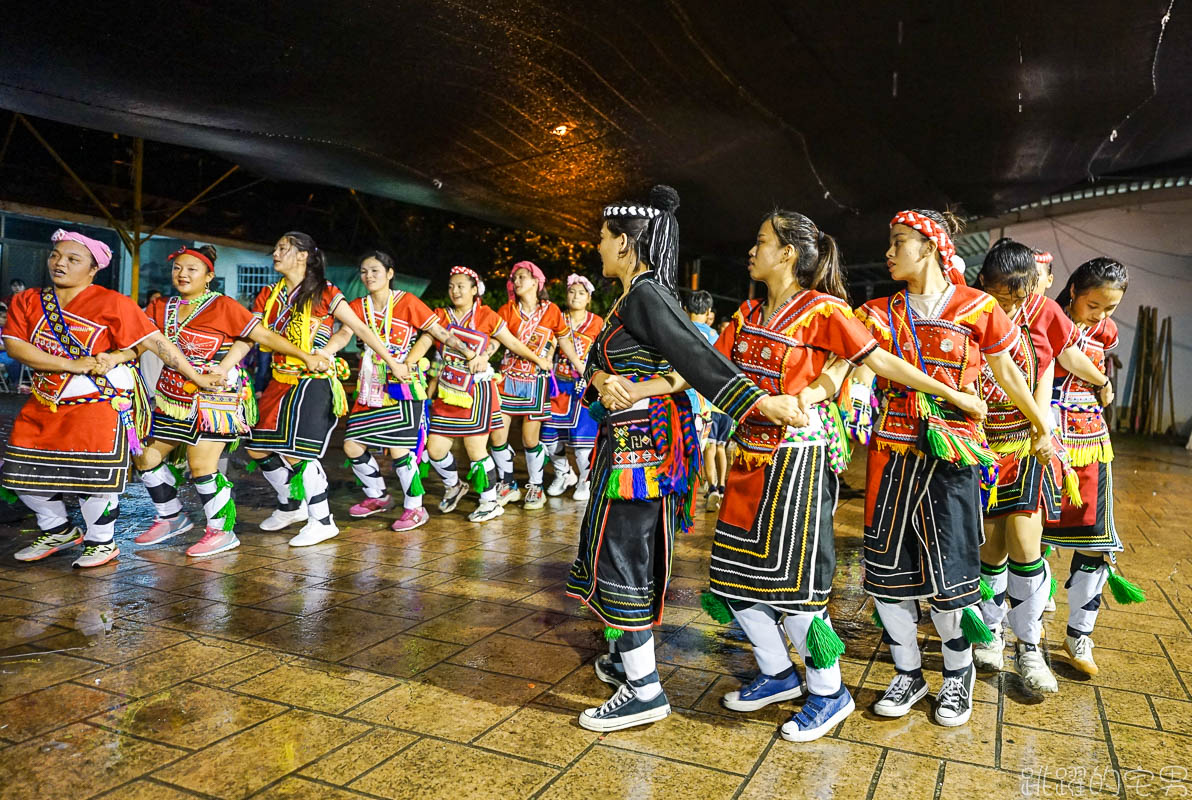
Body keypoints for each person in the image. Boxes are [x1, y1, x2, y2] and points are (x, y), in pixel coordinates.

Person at [689, 211, 988, 741]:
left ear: (787, 253)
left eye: (761, 241)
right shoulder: (748, 314)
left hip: (798, 461)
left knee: (793, 586)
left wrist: (950, 394)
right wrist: (629, 381)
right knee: (734, 582)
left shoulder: (823, 311)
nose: (750, 250)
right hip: (748, 458)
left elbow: (876, 361)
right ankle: (779, 673)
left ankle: (829, 693)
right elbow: (705, 368)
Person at [565, 185, 802, 733]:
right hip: (627, 444)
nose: (596, 246)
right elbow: (599, 370)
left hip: (642, 452)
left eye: (603, 238)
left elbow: (699, 361)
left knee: (624, 555)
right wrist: (603, 378)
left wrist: (759, 402)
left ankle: (645, 690)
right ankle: (629, 657)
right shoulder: (630, 298)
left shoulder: (649, 295)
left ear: (625, 244)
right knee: (625, 550)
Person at [852, 210, 1054, 727]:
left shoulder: (977, 306)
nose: (890, 252)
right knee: (889, 576)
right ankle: (907, 673)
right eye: (890, 242)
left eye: (900, 242)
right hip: (893, 453)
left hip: (954, 456)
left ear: (932, 247)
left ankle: (958, 675)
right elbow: (872, 362)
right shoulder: (877, 311)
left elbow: (1007, 369)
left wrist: (1040, 423)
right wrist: (942, 390)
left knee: (952, 576)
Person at [3, 230, 220, 567]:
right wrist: (68, 363)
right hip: (44, 403)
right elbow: (16, 345)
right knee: (22, 473)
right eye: (55, 255)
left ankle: (101, 542)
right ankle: (58, 529)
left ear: (93, 269)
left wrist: (197, 377)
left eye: (73, 259)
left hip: (97, 405)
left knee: (94, 478)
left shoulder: (112, 303)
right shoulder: (27, 300)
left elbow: (156, 343)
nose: (59, 263)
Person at [969, 239, 1112, 692]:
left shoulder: (1045, 312)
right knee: (991, 547)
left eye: (1017, 295)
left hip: (1030, 445)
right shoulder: (971, 311)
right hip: (981, 447)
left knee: (1026, 543)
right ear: (984, 284)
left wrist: (1097, 381)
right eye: (1000, 294)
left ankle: (1030, 648)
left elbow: (1065, 353)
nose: (1009, 304)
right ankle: (991, 630)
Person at [128, 245, 330, 557]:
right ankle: (171, 516)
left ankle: (222, 531)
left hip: (215, 400)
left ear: (209, 276)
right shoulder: (160, 307)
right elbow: (138, 342)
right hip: (172, 398)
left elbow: (261, 335)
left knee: (201, 466)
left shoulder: (223, 306)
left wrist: (304, 355)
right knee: (145, 458)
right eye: (177, 268)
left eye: (192, 269)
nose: (182, 274)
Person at [243, 232, 409, 547]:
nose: (275, 253)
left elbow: (359, 328)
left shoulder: (325, 292)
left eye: (283, 248)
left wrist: (393, 362)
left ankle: (322, 521)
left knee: (300, 452)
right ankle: (292, 504)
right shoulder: (267, 295)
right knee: (257, 447)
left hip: (314, 380)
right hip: (280, 379)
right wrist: (223, 366)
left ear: (303, 255)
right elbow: (252, 335)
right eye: (276, 247)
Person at [319, 251, 487, 531]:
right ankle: (377, 496)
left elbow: (439, 332)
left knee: (400, 450)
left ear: (390, 273)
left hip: (403, 386)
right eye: (363, 271)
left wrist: (469, 353)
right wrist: (324, 352)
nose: (368, 276)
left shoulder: (406, 302)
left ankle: (415, 508)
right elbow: (345, 334)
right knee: (352, 444)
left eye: (375, 270)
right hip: (370, 386)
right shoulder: (358, 305)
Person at [1043, 257, 1143, 677]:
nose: (1101, 315)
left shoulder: (1107, 332)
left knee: (1096, 541)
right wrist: (1103, 383)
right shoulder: (1048, 318)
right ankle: (1013, 630)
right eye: (1093, 305)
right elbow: (1066, 360)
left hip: (1090, 443)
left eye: (1110, 308)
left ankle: (1078, 634)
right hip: (1045, 440)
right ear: (1073, 293)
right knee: (1027, 539)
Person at [406, 266, 550, 522]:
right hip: (448, 391)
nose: (455, 291)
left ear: (475, 290)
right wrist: (408, 363)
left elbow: (513, 342)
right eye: (451, 286)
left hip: (478, 392)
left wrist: (538, 360)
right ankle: (455, 485)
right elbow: (427, 340)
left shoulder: (487, 316)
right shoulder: (441, 315)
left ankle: (489, 501)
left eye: (461, 286)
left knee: (475, 450)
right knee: (435, 449)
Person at [488, 261, 584, 510]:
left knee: (530, 439)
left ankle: (536, 485)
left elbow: (564, 341)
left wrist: (578, 364)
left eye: (522, 277)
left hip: (535, 380)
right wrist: (482, 355)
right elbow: (496, 342)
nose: (516, 281)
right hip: (507, 378)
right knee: (497, 435)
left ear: (535, 282)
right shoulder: (506, 310)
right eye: (514, 278)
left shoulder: (551, 311)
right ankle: (507, 484)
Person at [542, 274, 604, 502]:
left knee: (582, 443)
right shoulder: (558, 318)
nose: (575, 296)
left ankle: (583, 481)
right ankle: (563, 473)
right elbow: (548, 344)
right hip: (558, 385)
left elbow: (602, 354)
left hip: (584, 387)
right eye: (571, 292)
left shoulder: (597, 323)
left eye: (581, 293)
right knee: (549, 438)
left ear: (588, 298)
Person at [0, 303, 23, 387]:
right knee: (14, 359)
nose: (6, 320)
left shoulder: (7, 328)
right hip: (2, 354)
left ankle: (10, 379)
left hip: (6, 353)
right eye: (3, 318)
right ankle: (15, 383)